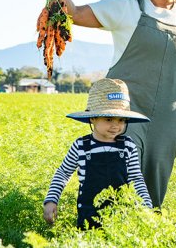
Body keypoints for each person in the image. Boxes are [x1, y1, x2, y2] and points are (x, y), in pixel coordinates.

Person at [42, 0, 176, 207]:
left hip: (168, 119)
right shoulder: (126, 6)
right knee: (116, 182)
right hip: (125, 114)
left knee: (153, 192)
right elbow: (76, 13)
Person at [43, 78, 153, 229]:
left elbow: (136, 178)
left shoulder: (127, 146)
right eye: (109, 119)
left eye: (121, 120)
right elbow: (63, 173)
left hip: (121, 216)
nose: (116, 125)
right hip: (88, 216)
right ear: (93, 118)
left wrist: (146, 207)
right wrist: (51, 200)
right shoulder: (81, 146)